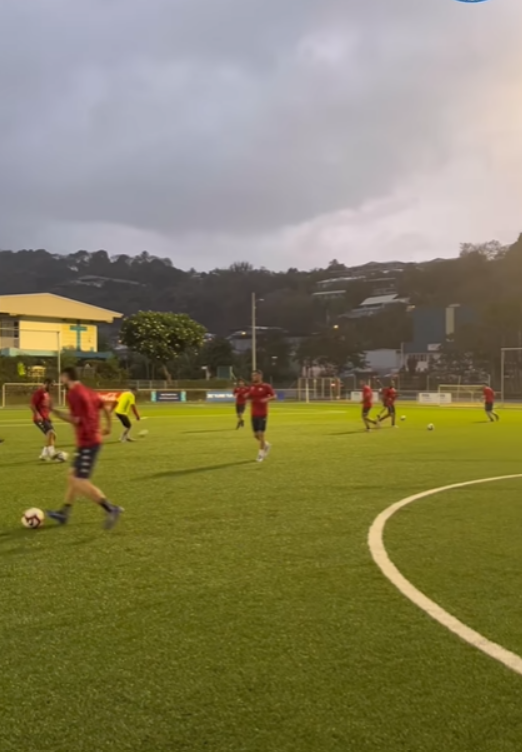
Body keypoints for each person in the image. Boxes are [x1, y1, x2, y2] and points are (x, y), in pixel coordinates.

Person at [46, 367, 123, 529]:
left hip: (88, 442)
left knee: (79, 480)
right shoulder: (89, 392)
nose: (60, 380)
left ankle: (111, 509)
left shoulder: (73, 394)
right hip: (89, 441)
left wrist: (53, 411)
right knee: (72, 475)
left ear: (66, 377)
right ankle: (64, 513)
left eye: (61, 377)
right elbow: (106, 408)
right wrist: (108, 426)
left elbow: (76, 420)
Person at [247, 370, 275, 462]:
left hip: (262, 413)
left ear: (260, 376)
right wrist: (247, 396)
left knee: (261, 434)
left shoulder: (266, 386)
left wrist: (266, 399)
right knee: (255, 435)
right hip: (253, 413)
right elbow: (249, 396)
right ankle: (266, 445)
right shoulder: (251, 387)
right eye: (253, 376)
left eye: (255, 376)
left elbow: (274, 396)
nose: (254, 377)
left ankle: (261, 454)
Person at [30, 379, 60, 461]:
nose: (53, 387)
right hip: (39, 419)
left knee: (52, 436)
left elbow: (47, 407)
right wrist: (37, 414)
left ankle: (43, 454)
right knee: (51, 433)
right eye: (51, 385)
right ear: (46, 383)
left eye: (53, 385)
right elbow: (32, 405)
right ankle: (52, 453)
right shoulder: (39, 392)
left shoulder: (47, 394)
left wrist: (49, 417)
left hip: (45, 418)